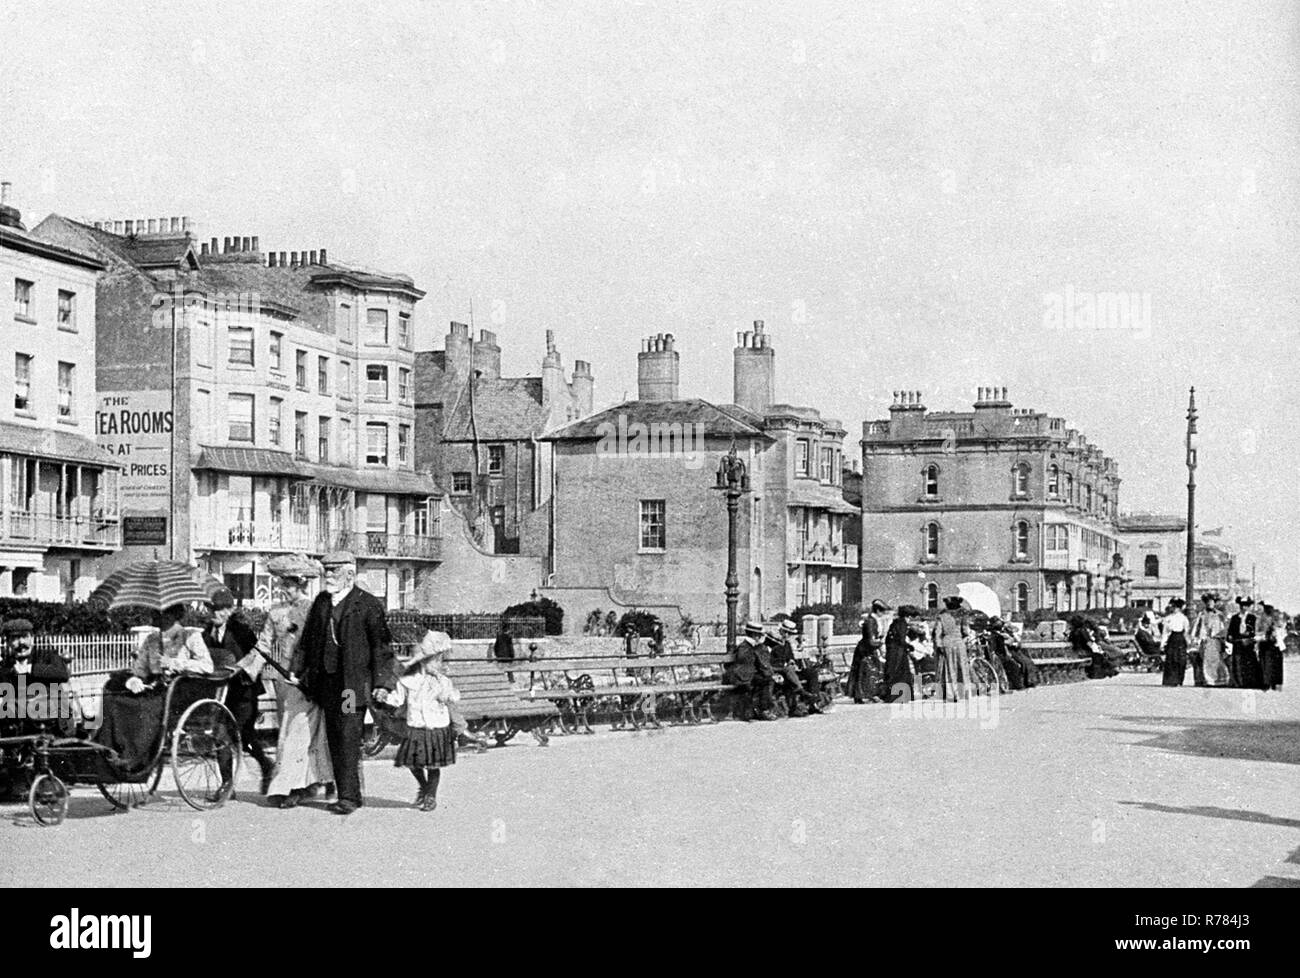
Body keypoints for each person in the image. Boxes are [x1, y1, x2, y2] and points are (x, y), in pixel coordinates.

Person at [296, 551, 395, 815]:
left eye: (334, 572)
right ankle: (346, 792)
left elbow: (382, 647)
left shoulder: (367, 604)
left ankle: (349, 797)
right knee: (333, 736)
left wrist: (382, 683)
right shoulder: (321, 602)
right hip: (326, 683)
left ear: (350, 575)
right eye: (326, 571)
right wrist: (299, 670)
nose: (328, 576)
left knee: (347, 735)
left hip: (350, 686)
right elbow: (308, 641)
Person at [95, 604, 213, 773]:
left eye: (166, 614)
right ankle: (109, 750)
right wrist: (135, 679)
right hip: (154, 686)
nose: (161, 618)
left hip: (180, 689)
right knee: (114, 696)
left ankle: (135, 758)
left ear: (175, 615)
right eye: (158, 614)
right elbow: (140, 668)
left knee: (146, 707)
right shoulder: (151, 639)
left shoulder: (190, 636)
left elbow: (207, 666)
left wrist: (175, 663)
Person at [258, 555, 333, 809]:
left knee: (298, 736)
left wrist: (312, 676)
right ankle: (306, 783)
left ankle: (292, 787)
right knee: (289, 734)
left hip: (307, 681)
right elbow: (264, 645)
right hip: (284, 682)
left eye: (290, 585)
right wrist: (245, 667)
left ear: (300, 585)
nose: (285, 590)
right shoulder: (275, 613)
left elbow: (319, 646)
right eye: (283, 585)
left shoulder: (312, 610)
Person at [375, 629, 459, 811]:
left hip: (436, 726)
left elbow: (452, 697)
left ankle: (430, 797)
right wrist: (385, 698)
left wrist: (445, 691)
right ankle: (424, 786)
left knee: (434, 766)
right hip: (416, 725)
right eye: (434, 660)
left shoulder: (442, 680)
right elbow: (398, 699)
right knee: (413, 763)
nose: (438, 664)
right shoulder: (408, 680)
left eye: (439, 660)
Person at [202, 587, 273, 795]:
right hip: (221, 692)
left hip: (244, 691)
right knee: (220, 733)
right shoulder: (207, 633)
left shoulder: (241, 630)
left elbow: (256, 653)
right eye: (210, 610)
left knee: (245, 737)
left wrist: (240, 667)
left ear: (227, 611)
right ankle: (227, 784)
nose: (212, 614)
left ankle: (265, 765)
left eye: (216, 610)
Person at [0, 618, 72, 730]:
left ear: (32, 638)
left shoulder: (47, 656)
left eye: (24, 637)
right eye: (15, 638)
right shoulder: (6, 665)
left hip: (52, 723)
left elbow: (63, 674)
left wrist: (30, 669)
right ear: (8, 642)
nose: (21, 643)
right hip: (19, 724)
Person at [766, 620, 818, 717]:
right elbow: (770, 661)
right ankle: (800, 693)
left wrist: (792, 661)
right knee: (789, 678)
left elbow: (791, 657)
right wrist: (785, 665)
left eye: (789, 633)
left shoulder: (787, 644)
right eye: (785, 632)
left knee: (812, 672)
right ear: (780, 631)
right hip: (778, 671)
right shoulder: (772, 643)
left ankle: (813, 702)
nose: (786, 635)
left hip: (789, 671)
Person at [848, 601, 889, 703]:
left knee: (868, 672)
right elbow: (870, 639)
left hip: (868, 648)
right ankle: (863, 695)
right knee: (866, 672)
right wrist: (880, 643)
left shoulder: (872, 620)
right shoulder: (871, 621)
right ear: (878, 611)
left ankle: (865, 695)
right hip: (866, 649)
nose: (883, 615)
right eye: (882, 612)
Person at [933, 596, 972, 702]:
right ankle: (963, 693)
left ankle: (951, 694)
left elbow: (937, 633)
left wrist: (939, 644)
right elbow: (966, 631)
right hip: (959, 643)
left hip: (947, 643)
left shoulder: (941, 616)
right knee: (961, 668)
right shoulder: (962, 616)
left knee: (949, 668)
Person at [883, 605, 922, 702]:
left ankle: (893, 695)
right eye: (909, 617)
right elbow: (901, 639)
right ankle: (902, 695)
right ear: (907, 616)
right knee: (901, 673)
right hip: (898, 652)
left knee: (894, 673)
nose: (909, 619)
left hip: (894, 651)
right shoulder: (902, 624)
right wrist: (909, 646)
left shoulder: (895, 623)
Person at [1190, 593, 1228, 687]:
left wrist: (1223, 637)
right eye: (1208, 602)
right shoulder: (1202, 614)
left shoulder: (1219, 614)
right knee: (1206, 660)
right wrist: (1195, 638)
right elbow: (1197, 627)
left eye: (1211, 602)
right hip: (1206, 639)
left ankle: (1219, 680)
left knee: (1217, 659)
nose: (1210, 604)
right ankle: (1208, 680)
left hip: (1216, 639)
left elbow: (1224, 626)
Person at [988, 617, 1037, 691]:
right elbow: (998, 645)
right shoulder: (993, 634)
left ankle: (1029, 682)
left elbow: (1015, 637)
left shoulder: (1005, 630)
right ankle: (1019, 684)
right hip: (1004, 651)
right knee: (1016, 664)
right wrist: (1008, 641)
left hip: (1013, 649)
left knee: (1027, 662)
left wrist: (1012, 639)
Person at [1226, 597, 1262, 689]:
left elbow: (1254, 630)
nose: (1244, 607)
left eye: (1246, 606)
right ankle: (1239, 682)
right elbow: (1230, 631)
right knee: (1238, 662)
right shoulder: (1235, 618)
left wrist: (1249, 637)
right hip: (1238, 642)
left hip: (1248, 643)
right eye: (1242, 605)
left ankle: (1250, 682)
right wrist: (1231, 637)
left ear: (1249, 607)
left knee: (1249, 662)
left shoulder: (1252, 617)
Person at [1159, 599, 1190, 686]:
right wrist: (1162, 644)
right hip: (1172, 639)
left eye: (1176, 607)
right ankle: (1170, 680)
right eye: (1173, 606)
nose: (1174, 608)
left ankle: (1179, 680)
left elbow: (1186, 632)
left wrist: (1188, 642)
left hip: (1180, 639)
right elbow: (1165, 633)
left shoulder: (1184, 618)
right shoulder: (1168, 618)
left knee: (1180, 660)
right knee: (1171, 660)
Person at [1257, 603, 1284, 691]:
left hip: (1272, 645)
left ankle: (1270, 683)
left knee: (1270, 665)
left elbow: (1281, 630)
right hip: (1268, 645)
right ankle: (1269, 683)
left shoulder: (1272, 619)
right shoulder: (1262, 619)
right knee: (1268, 665)